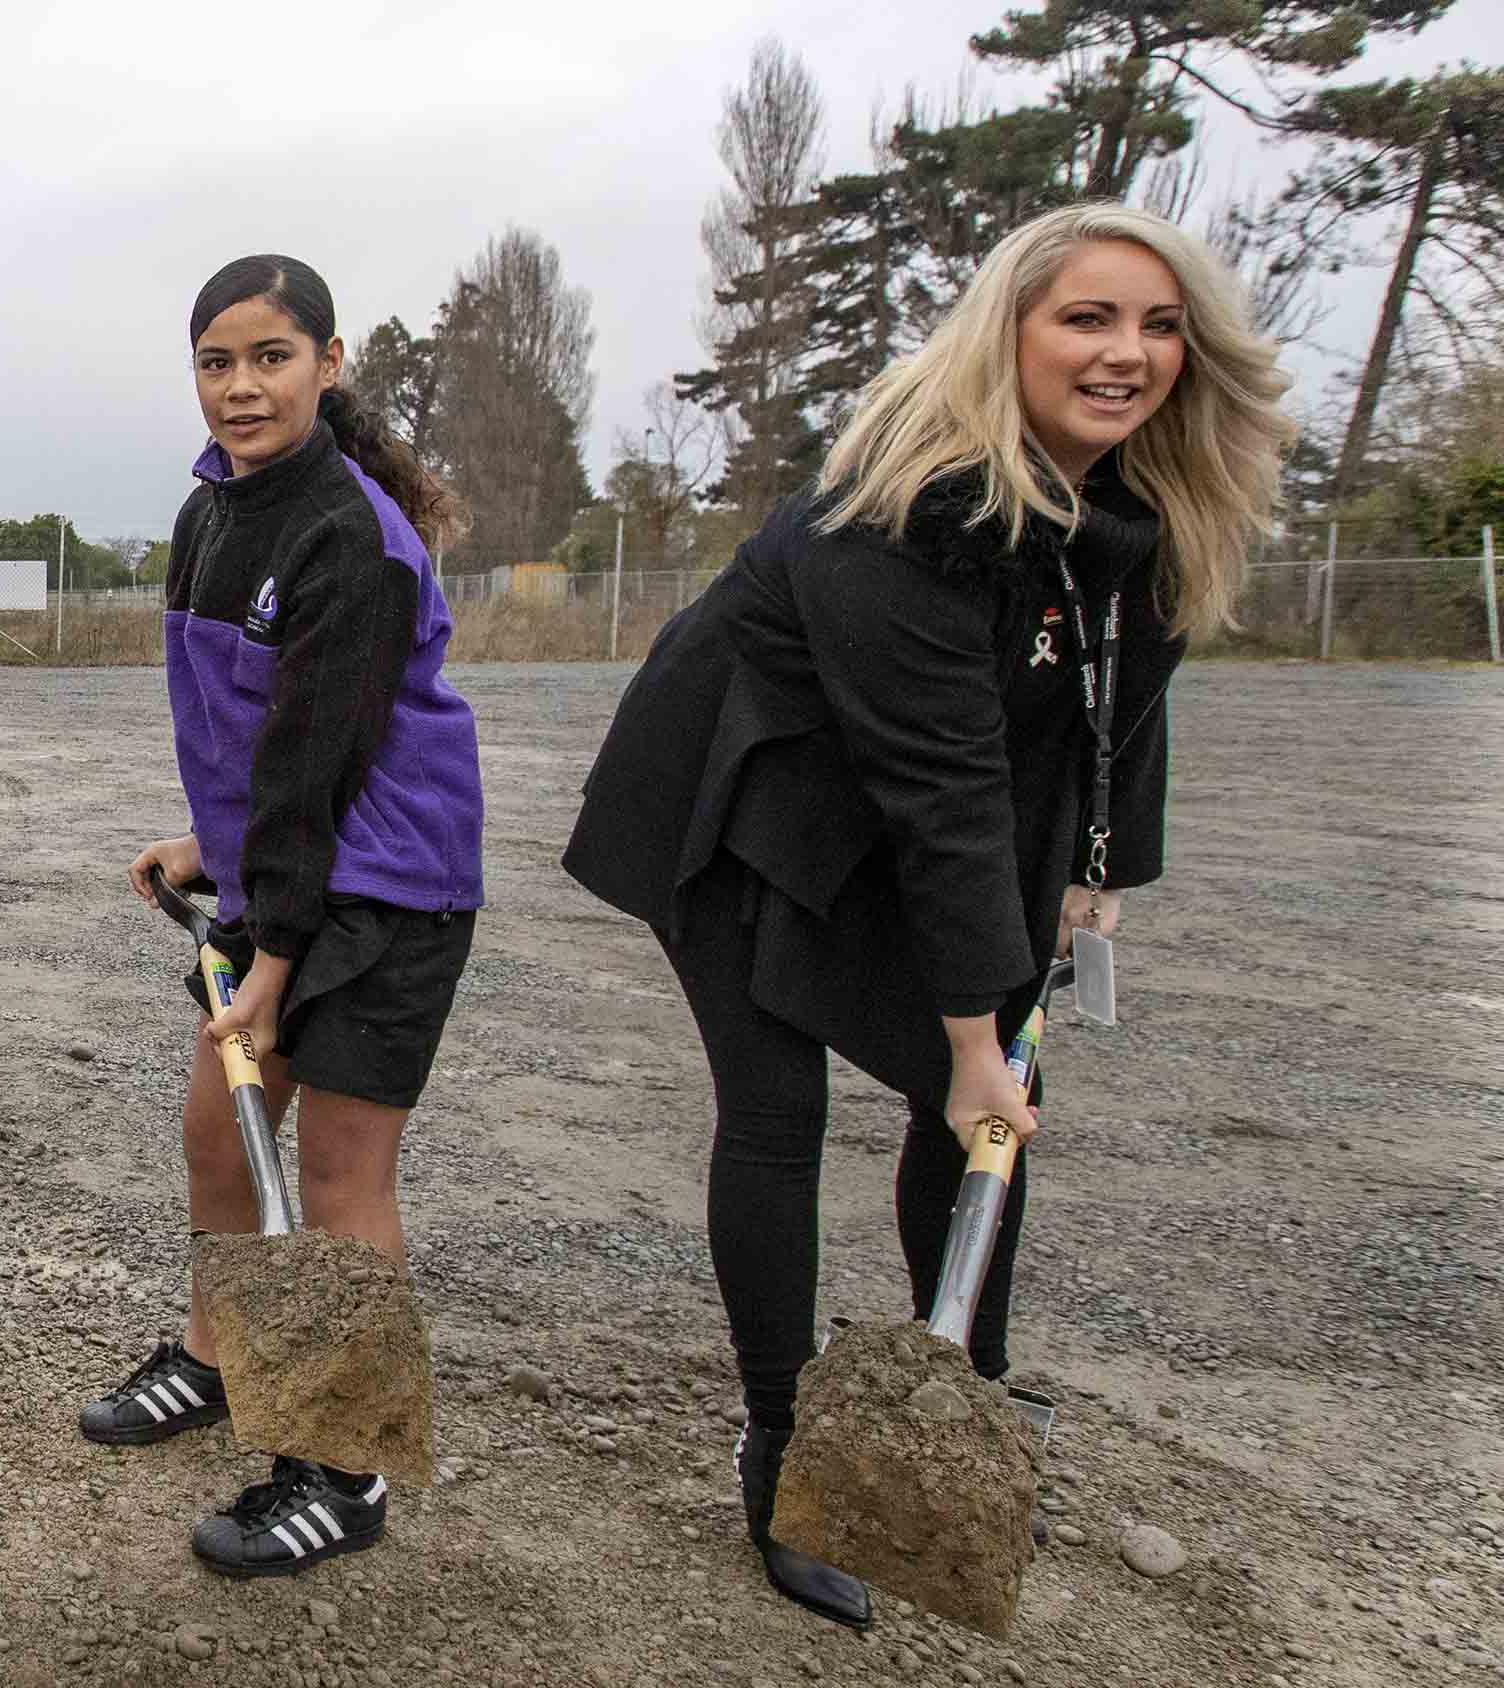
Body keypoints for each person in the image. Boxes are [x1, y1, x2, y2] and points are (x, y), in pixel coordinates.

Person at [562, 203, 1294, 1625]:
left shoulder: (1150, 503)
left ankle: (966, 1398)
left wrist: (1097, 879)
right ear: (1008, 334)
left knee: (978, 1111)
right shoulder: (909, 513)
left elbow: (1119, 709)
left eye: (1158, 326)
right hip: (733, 788)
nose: (1128, 353)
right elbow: (942, 785)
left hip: (900, 799)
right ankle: (782, 1446)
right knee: (786, 1106)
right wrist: (976, 1034)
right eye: (1087, 319)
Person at [89, 254, 484, 1577]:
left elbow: (326, 756)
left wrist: (279, 953)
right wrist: (217, 844)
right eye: (217, 360)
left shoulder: (350, 531)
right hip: (294, 872)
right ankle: (217, 1358)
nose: (242, 386)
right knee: (222, 1126)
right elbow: (250, 734)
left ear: (328, 363)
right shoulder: (214, 514)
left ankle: (346, 1467)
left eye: (271, 357)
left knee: (337, 1180)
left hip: (391, 888)